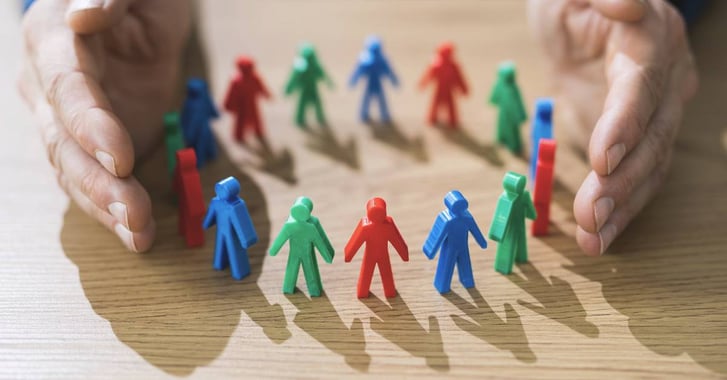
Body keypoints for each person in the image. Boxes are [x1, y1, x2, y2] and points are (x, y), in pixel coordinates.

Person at [18, 0, 698, 255]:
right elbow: (297, 231)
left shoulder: (509, 199)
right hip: (162, 59)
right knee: (232, 244)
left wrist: (657, 8)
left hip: (571, 49)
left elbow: (430, 231)